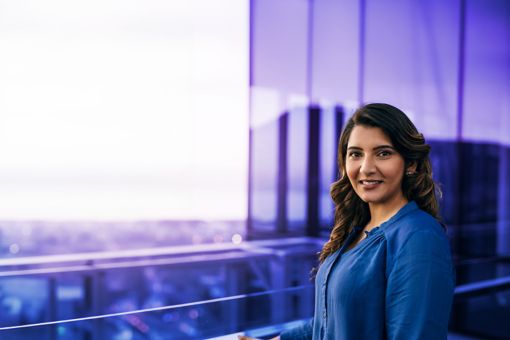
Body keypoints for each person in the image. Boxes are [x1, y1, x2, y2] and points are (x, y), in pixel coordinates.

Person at [240, 103, 455, 340]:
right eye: (356, 154)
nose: (366, 168)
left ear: (410, 164)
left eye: (383, 153)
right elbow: (332, 322)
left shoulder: (418, 236)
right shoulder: (358, 231)